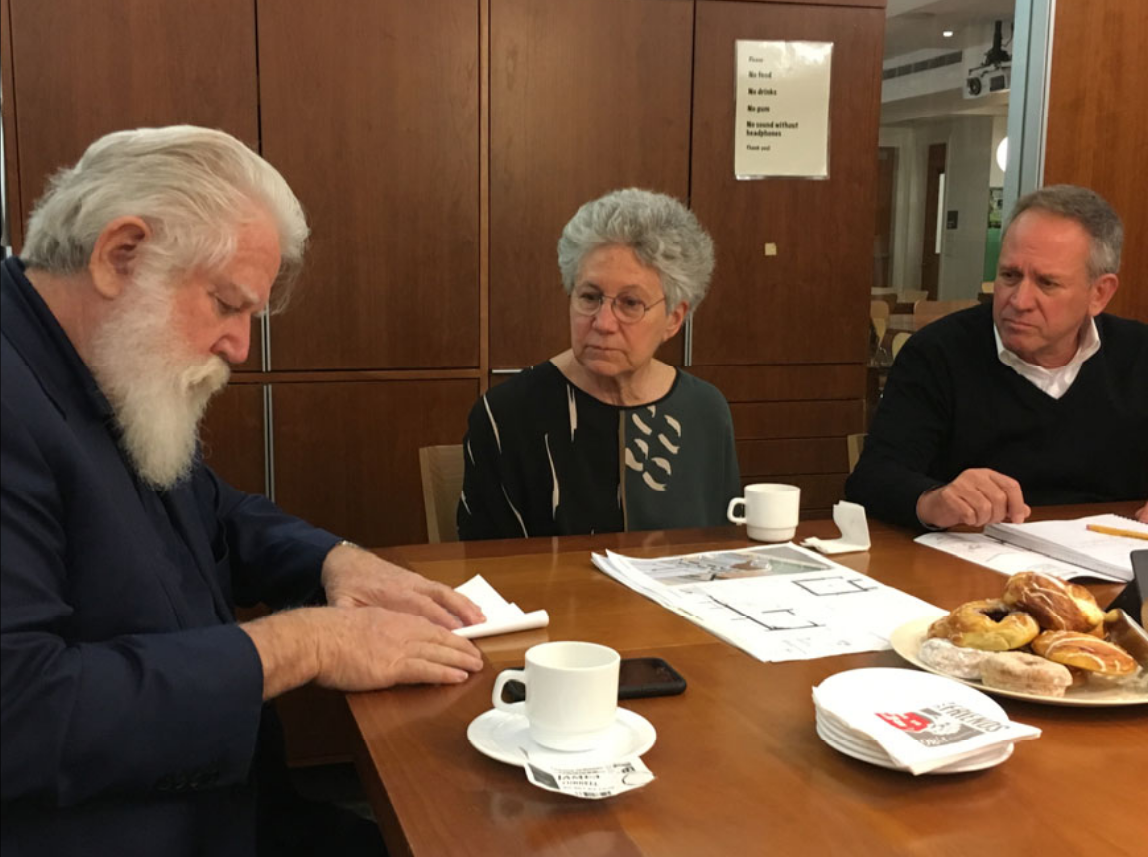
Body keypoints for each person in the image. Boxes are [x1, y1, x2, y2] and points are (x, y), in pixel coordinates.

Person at [0, 126, 486, 857]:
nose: (240, 347)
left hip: (226, 803)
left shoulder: (93, 359)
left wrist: (335, 561)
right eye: (227, 304)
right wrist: (304, 643)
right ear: (119, 254)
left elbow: (212, 511)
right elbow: (23, 714)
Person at [846, 185, 1148, 530]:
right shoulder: (938, 352)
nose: (1019, 300)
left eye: (1047, 283)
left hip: (1112, 567)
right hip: (969, 565)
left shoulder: (1139, 355)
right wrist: (934, 500)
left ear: (1099, 293)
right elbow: (871, 481)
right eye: (1009, 275)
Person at [458, 188, 740, 540]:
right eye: (590, 297)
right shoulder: (507, 415)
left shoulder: (704, 410)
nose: (603, 322)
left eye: (630, 303)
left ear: (673, 318)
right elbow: (482, 570)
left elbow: (722, 550)